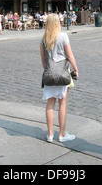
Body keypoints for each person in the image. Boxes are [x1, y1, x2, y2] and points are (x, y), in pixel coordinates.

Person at [40, 13, 78, 143]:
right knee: (63, 103)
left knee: (50, 104)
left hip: (49, 73)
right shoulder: (63, 36)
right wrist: (76, 69)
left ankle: (50, 135)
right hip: (63, 73)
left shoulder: (44, 38)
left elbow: (43, 60)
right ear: (58, 23)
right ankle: (62, 134)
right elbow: (70, 55)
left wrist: (48, 70)